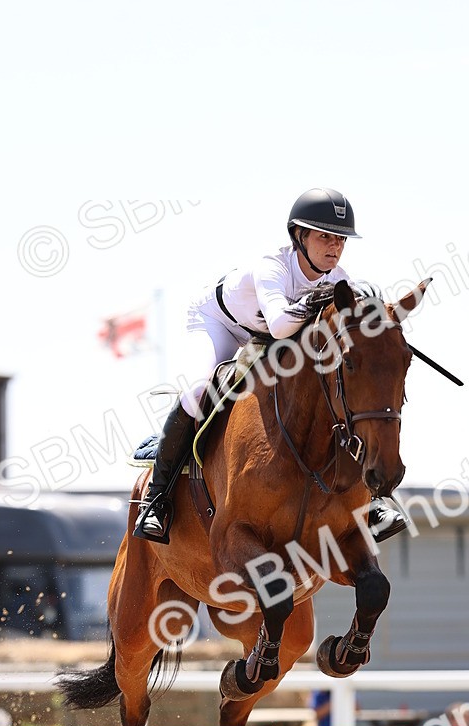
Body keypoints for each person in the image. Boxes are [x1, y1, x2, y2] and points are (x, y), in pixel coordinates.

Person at [134, 187, 408, 544]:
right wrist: (319, 300)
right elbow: (279, 326)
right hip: (221, 324)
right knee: (199, 391)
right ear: (299, 236)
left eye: (340, 239)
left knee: (333, 392)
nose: (334, 247)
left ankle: (370, 501)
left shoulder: (338, 277)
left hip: (267, 336)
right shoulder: (272, 267)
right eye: (325, 237)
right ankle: (157, 499)